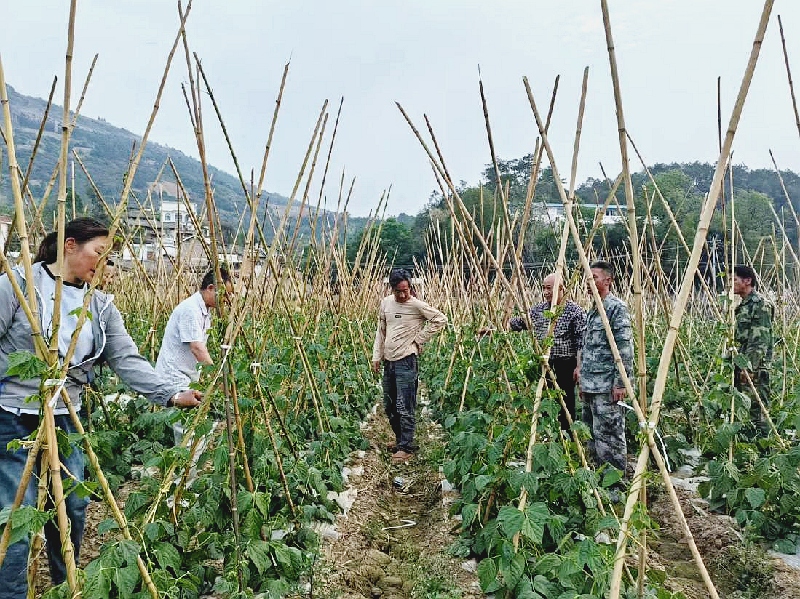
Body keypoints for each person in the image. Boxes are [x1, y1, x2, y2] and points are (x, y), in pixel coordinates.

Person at [0, 218, 202, 599]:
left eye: (110, 259)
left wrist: (173, 394)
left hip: (66, 417)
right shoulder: (19, 285)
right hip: (13, 417)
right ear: (70, 245)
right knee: (16, 518)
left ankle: (67, 586)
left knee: (73, 505)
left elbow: (127, 360)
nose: (104, 265)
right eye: (99, 254)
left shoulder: (100, 305)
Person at [371, 269, 447, 463]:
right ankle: (400, 440)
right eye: (399, 291)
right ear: (392, 289)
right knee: (389, 405)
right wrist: (376, 356)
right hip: (389, 361)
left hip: (406, 361)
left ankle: (406, 446)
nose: (403, 294)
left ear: (410, 287)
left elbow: (440, 320)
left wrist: (418, 340)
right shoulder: (386, 303)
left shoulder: (416, 305)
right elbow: (381, 331)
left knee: (405, 405)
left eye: (406, 290)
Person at [509, 273, 586, 430]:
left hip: (565, 364)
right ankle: (548, 433)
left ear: (561, 288)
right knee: (545, 401)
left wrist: (579, 366)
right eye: (543, 288)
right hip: (544, 362)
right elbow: (517, 324)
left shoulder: (574, 312)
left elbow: (580, 342)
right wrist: (493, 329)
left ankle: (568, 436)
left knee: (565, 403)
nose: (545, 292)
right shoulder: (538, 310)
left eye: (549, 288)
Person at [578, 260, 633, 473]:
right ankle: (598, 479)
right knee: (592, 435)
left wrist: (620, 383)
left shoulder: (615, 308)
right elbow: (586, 348)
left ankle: (615, 485)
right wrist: (582, 380)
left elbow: (624, 349)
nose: (588, 282)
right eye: (587, 278)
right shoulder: (593, 311)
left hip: (607, 387)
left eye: (594, 278)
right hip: (591, 385)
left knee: (609, 437)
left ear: (608, 280)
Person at [155, 268, 232, 389]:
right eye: (224, 295)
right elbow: (197, 348)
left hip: (186, 377)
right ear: (211, 288)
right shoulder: (191, 309)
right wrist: (217, 378)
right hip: (174, 377)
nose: (226, 300)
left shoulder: (205, 311)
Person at [732, 264, 773, 439]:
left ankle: (763, 449)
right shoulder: (743, 305)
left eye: (734, 280)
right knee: (743, 407)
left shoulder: (760, 305)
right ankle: (748, 448)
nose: (730, 284)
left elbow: (759, 341)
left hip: (754, 368)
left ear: (747, 281)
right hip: (742, 365)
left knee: (757, 410)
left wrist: (748, 368)